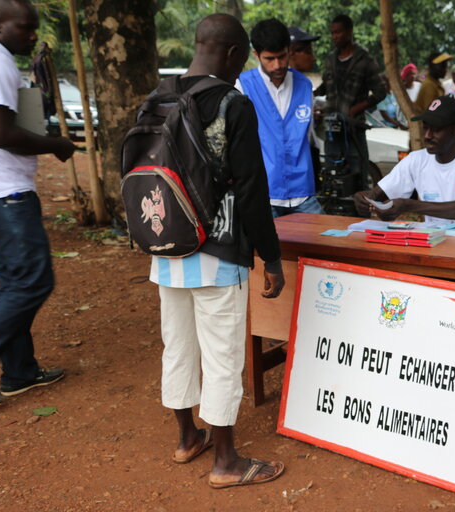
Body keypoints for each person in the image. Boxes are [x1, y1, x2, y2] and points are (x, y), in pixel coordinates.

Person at [148, 14, 286, 487]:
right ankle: (226, 462)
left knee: (178, 347)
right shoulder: (232, 104)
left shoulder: (159, 96)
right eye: (243, 56)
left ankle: (188, 438)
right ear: (231, 53)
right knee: (224, 354)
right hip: (218, 251)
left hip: (165, 248)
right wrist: (271, 256)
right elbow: (250, 188)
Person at [0, 0, 76, 406]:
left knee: (13, 284)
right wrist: (55, 144)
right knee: (32, 283)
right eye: (24, 28)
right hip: (6, 194)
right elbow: (1, 133)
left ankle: (19, 372)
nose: (32, 36)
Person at [353, 95, 455, 225]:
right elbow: (379, 198)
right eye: (425, 127)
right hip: (433, 243)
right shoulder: (416, 159)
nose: (427, 135)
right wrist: (366, 200)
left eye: (436, 129)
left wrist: (410, 205)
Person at [237, 18, 321, 218]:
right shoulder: (242, 87)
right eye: (269, 59)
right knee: (269, 249)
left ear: (289, 49)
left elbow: (309, 138)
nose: (277, 65)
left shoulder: (305, 86)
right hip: (265, 193)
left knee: (323, 245)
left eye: (282, 57)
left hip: (303, 192)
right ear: (256, 54)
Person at [314, 14, 385, 187]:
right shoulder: (330, 59)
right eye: (332, 33)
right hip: (331, 127)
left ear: (349, 32)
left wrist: (357, 108)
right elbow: (325, 86)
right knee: (333, 173)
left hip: (353, 127)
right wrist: (310, 96)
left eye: (338, 32)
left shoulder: (365, 60)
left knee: (357, 172)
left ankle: (357, 210)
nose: (334, 37)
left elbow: (380, 91)